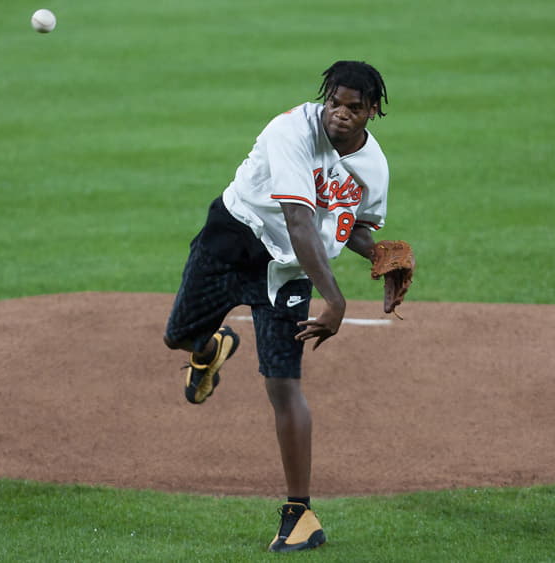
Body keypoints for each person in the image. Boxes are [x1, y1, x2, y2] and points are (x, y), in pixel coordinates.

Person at [163, 60, 390, 552]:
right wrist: (335, 297)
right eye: (333, 101)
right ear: (324, 97)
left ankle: (300, 515)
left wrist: (379, 253)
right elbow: (299, 219)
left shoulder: (374, 166)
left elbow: (343, 221)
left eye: (354, 107)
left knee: (284, 385)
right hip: (232, 240)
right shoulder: (290, 131)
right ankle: (207, 350)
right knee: (177, 334)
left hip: (287, 271)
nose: (340, 113)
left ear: (372, 111)